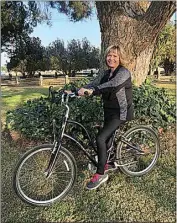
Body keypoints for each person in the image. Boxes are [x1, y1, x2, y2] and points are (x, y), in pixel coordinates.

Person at [65, 45, 133, 190]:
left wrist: (92, 91)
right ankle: (107, 163)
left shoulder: (124, 72)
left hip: (121, 112)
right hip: (108, 111)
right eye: (109, 55)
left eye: (115, 56)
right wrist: (75, 91)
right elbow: (94, 83)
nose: (111, 58)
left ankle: (101, 173)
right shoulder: (106, 73)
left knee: (101, 138)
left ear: (120, 58)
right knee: (105, 139)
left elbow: (112, 85)